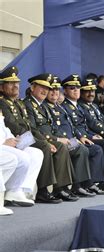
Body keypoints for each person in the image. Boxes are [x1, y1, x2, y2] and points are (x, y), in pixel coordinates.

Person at [0, 67, 72, 203]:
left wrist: (44, 139)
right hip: (13, 139)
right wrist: (44, 141)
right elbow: (13, 126)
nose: (15, 86)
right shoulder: (3, 103)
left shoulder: (18, 103)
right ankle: (42, 191)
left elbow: (30, 127)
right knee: (44, 146)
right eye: (11, 83)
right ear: (2, 87)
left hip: (23, 137)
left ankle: (61, 188)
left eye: (17, 83)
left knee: (58, 146)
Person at [1, 109, 42, 209]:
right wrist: (3, 142)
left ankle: (20, 190)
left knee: (36, 153)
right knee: (22, 157)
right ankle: (13, 190)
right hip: (2, 145)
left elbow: (4, 130)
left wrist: (14, 139)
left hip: (6, 145)